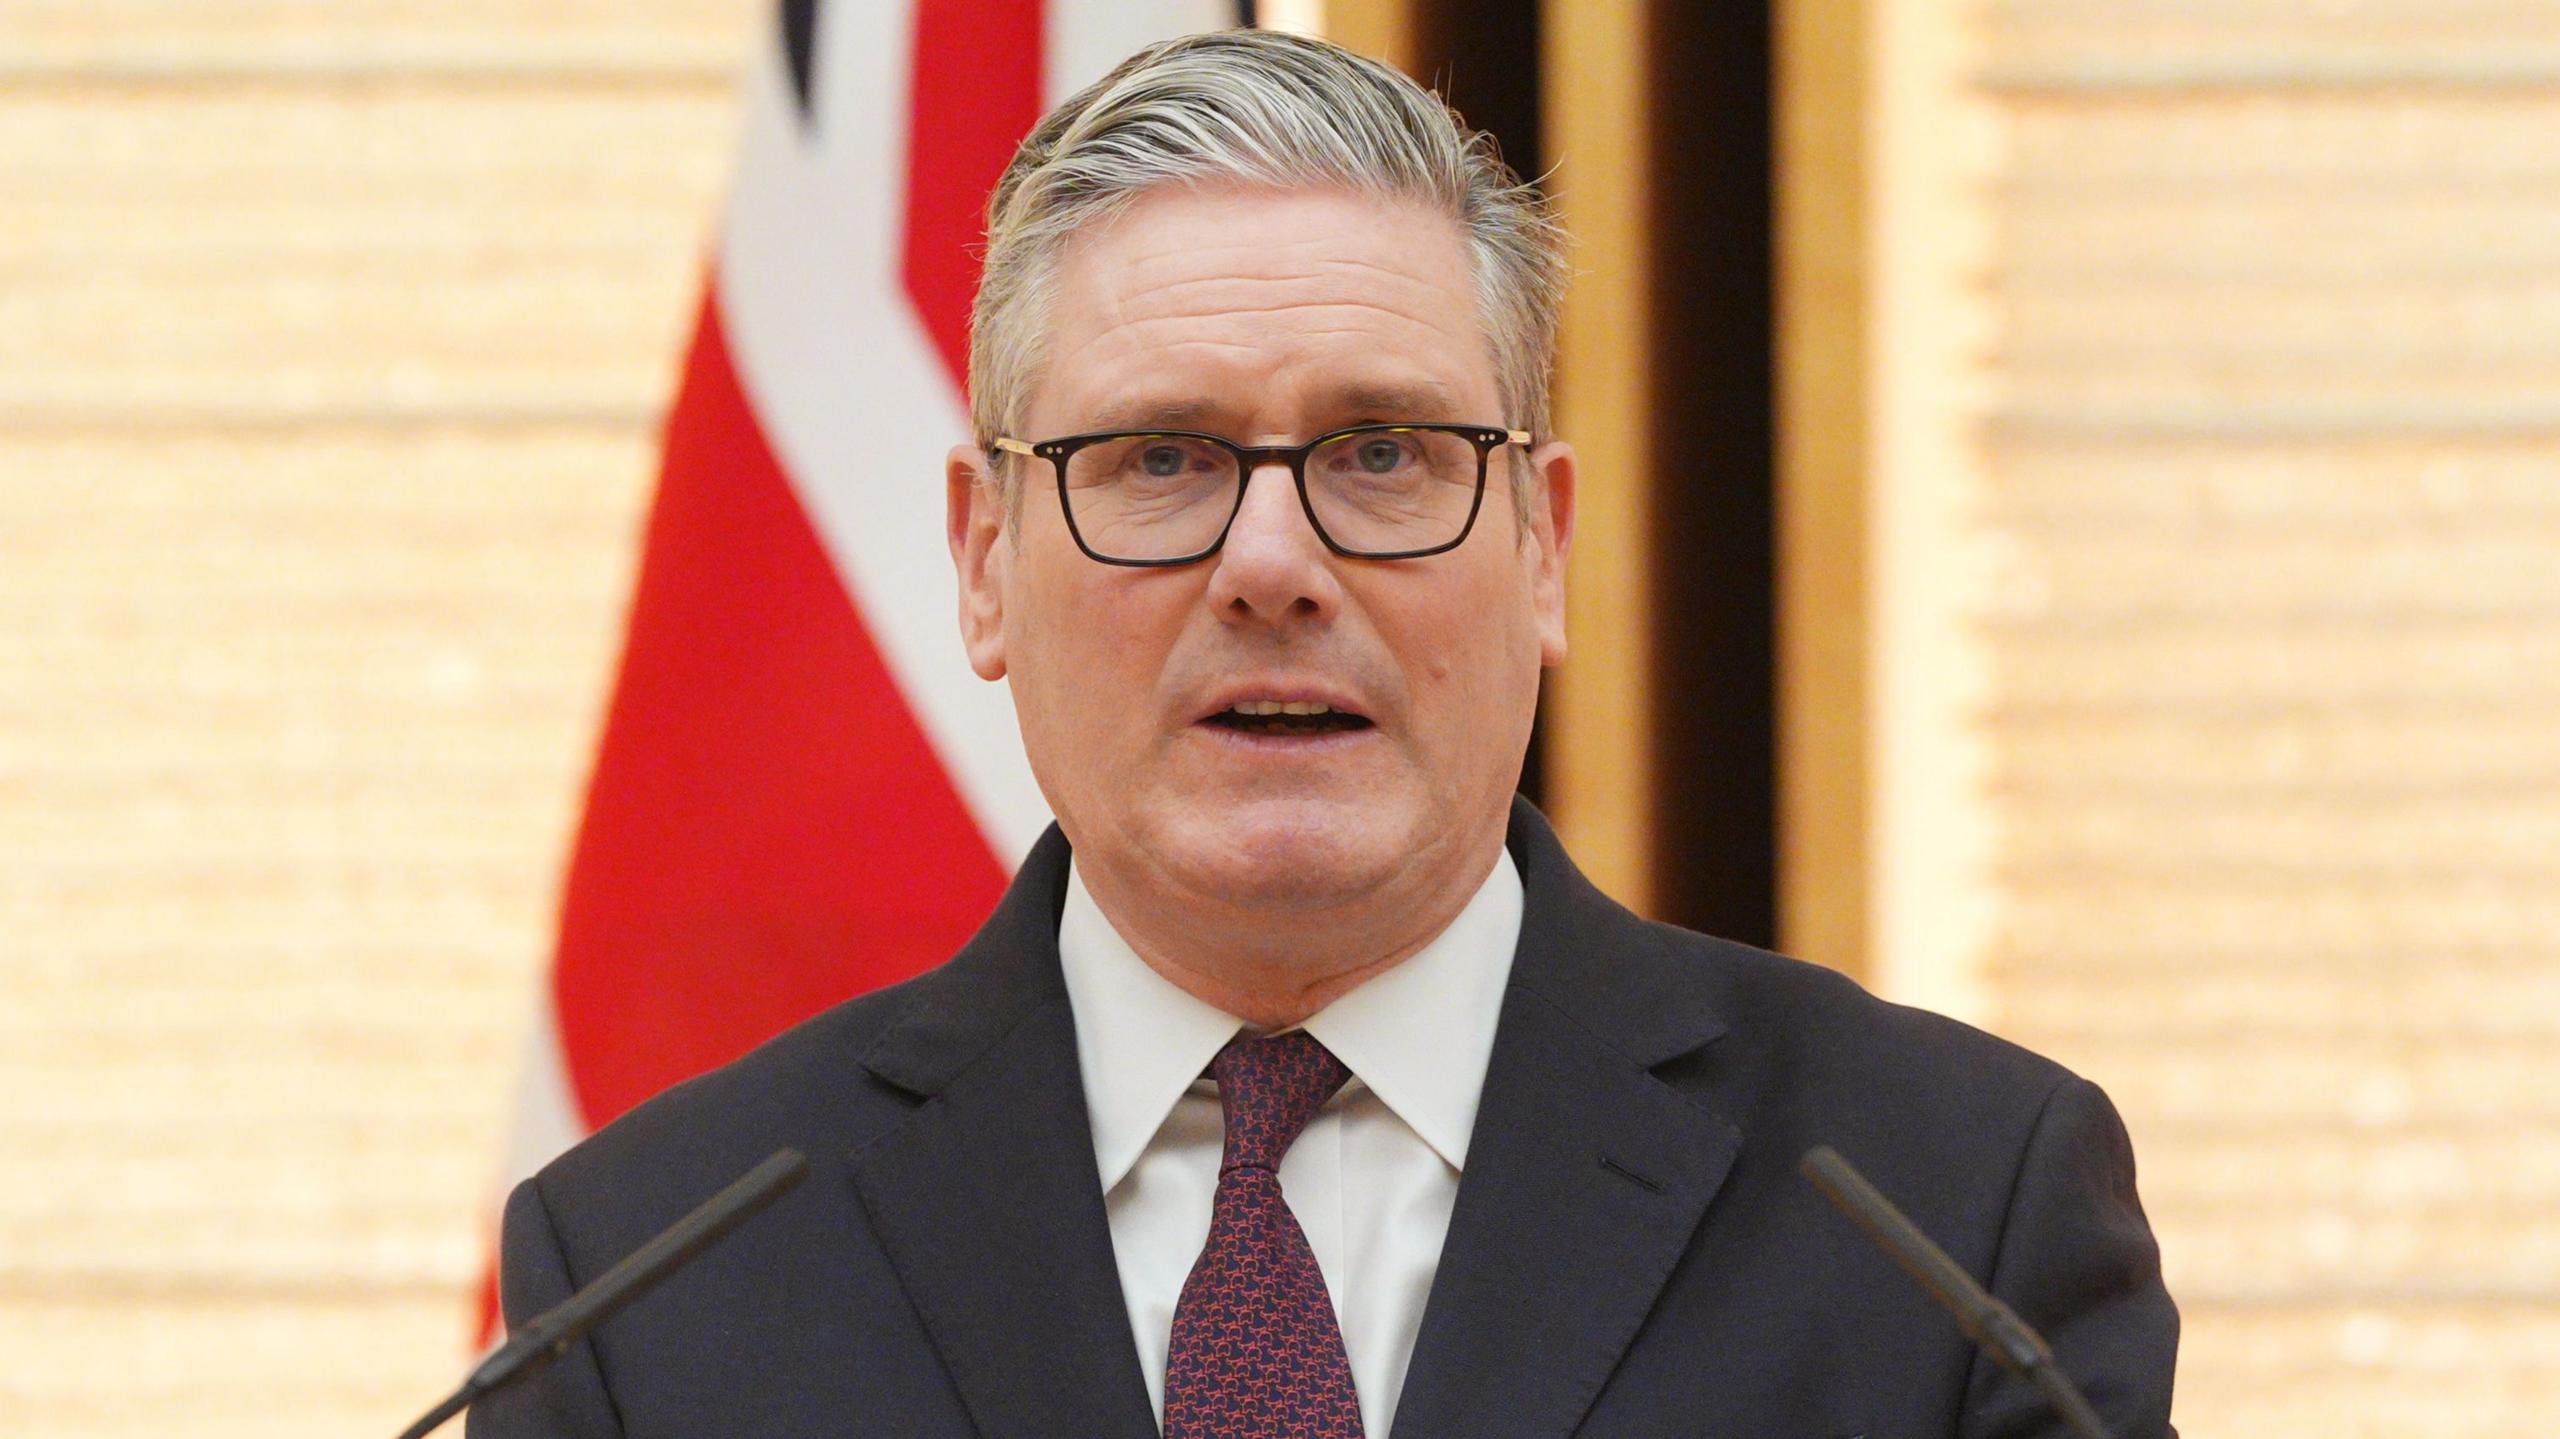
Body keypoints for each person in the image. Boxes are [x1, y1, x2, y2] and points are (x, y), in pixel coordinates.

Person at [472, 29, 2176, 1439]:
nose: (1272, 566)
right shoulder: (655, 1281)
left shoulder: (1945, 1220)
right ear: (985, 564)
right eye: (1158, 461)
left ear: (1543, 550)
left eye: (1381, 454)